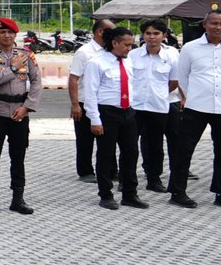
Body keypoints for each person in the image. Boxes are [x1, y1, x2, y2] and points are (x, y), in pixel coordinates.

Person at [168, 7, 221, 210]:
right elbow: (182, 76)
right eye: (214, 23)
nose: (219, 27)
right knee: (184, 150)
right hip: (196, 106)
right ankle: (178, 192)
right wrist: (188, 97)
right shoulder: (190, 48)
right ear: (205, 25)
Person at [0, 19, 40, 214]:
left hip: (19, 112)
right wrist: (12, 68)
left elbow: (36, 82)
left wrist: (26, 107)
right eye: (2, 32)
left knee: (18, 157)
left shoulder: (27, 55)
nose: (6, 35)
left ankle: (18, 199)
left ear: (15, 35)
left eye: (10, 32)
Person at [82, 26, 147, 209]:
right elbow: (90, 93)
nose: (129, 49)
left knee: (131, 153)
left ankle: (129, 193)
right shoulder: (97, 63)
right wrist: (95, 119)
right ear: (114, 43)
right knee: (106, 155)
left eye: (131, 45)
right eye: (126, 45)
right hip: (107, 113)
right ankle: (106, 194)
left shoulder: (128, 61)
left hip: (128, 112)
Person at [128, 18, 180, 193]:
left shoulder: (172, 55)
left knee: (155, 145)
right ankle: (126, 179)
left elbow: (174, 81)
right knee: (129, 145)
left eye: (156, 33)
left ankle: (154, 179)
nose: (152, 37)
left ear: (164, 36)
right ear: (143, 35)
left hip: (158, 107)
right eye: (148, 33)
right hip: (135, 106)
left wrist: (158, 94)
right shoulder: (133, 55)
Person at [67, 19, 114, 181]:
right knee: (85, 139)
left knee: (107, 139)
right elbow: (73, 79)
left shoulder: (110, 51)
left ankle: (110, 170)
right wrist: (75, 104)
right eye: (111, 30)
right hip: (84, 102)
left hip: (104, 103)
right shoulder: (84, 52)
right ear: (100, 32)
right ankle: (85, 171)